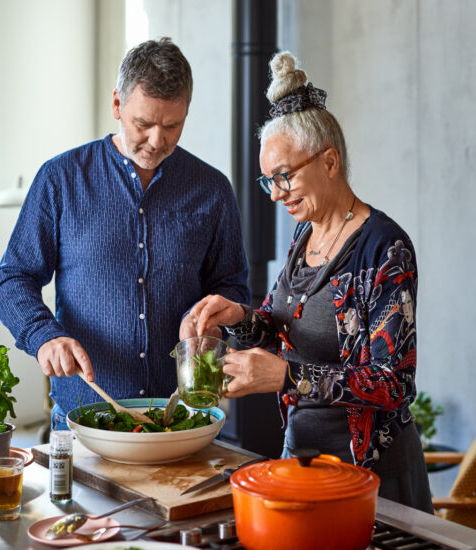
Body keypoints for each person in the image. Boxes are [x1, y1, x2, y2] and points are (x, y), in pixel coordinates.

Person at [185, 52, 432, 511]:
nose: (276, 193)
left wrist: (284, 376)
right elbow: (282, 324)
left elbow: (392, 383)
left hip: (370, 474)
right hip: (301, 457)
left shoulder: (385, 248)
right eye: (267, 181)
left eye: (284, 176)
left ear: (330, 161)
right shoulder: (305, 235)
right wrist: (238, 317)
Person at [0, 38, 250, 429]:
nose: (157, 140)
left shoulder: (212, 189)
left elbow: (232, 287)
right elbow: (12, 278)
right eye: (143, 124)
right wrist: (43, 335)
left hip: (181, 418)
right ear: (117, 104)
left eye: (172, 125)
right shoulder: (61, 179)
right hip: (85, 418)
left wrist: (214, 317)